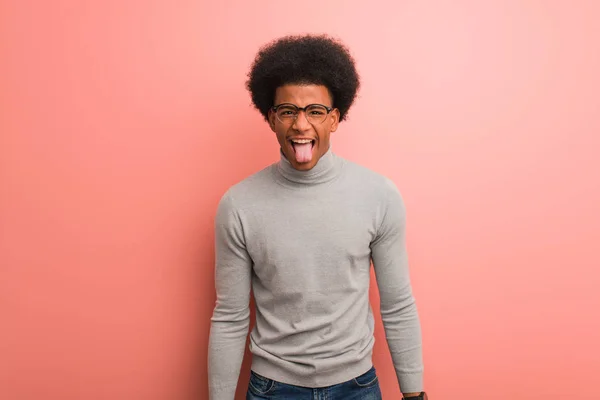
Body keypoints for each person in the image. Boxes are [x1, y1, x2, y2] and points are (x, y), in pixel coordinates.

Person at [208, 34, 427, 400]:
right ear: (271, 118)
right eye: (288, 111)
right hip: (272, 388)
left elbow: (398, 304)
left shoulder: (378, 195)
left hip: (357, 387)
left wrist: (414, 394)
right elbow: (229, 316)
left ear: (335, 119)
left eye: (315, 111)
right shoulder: (239, 204)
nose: (301, 125)